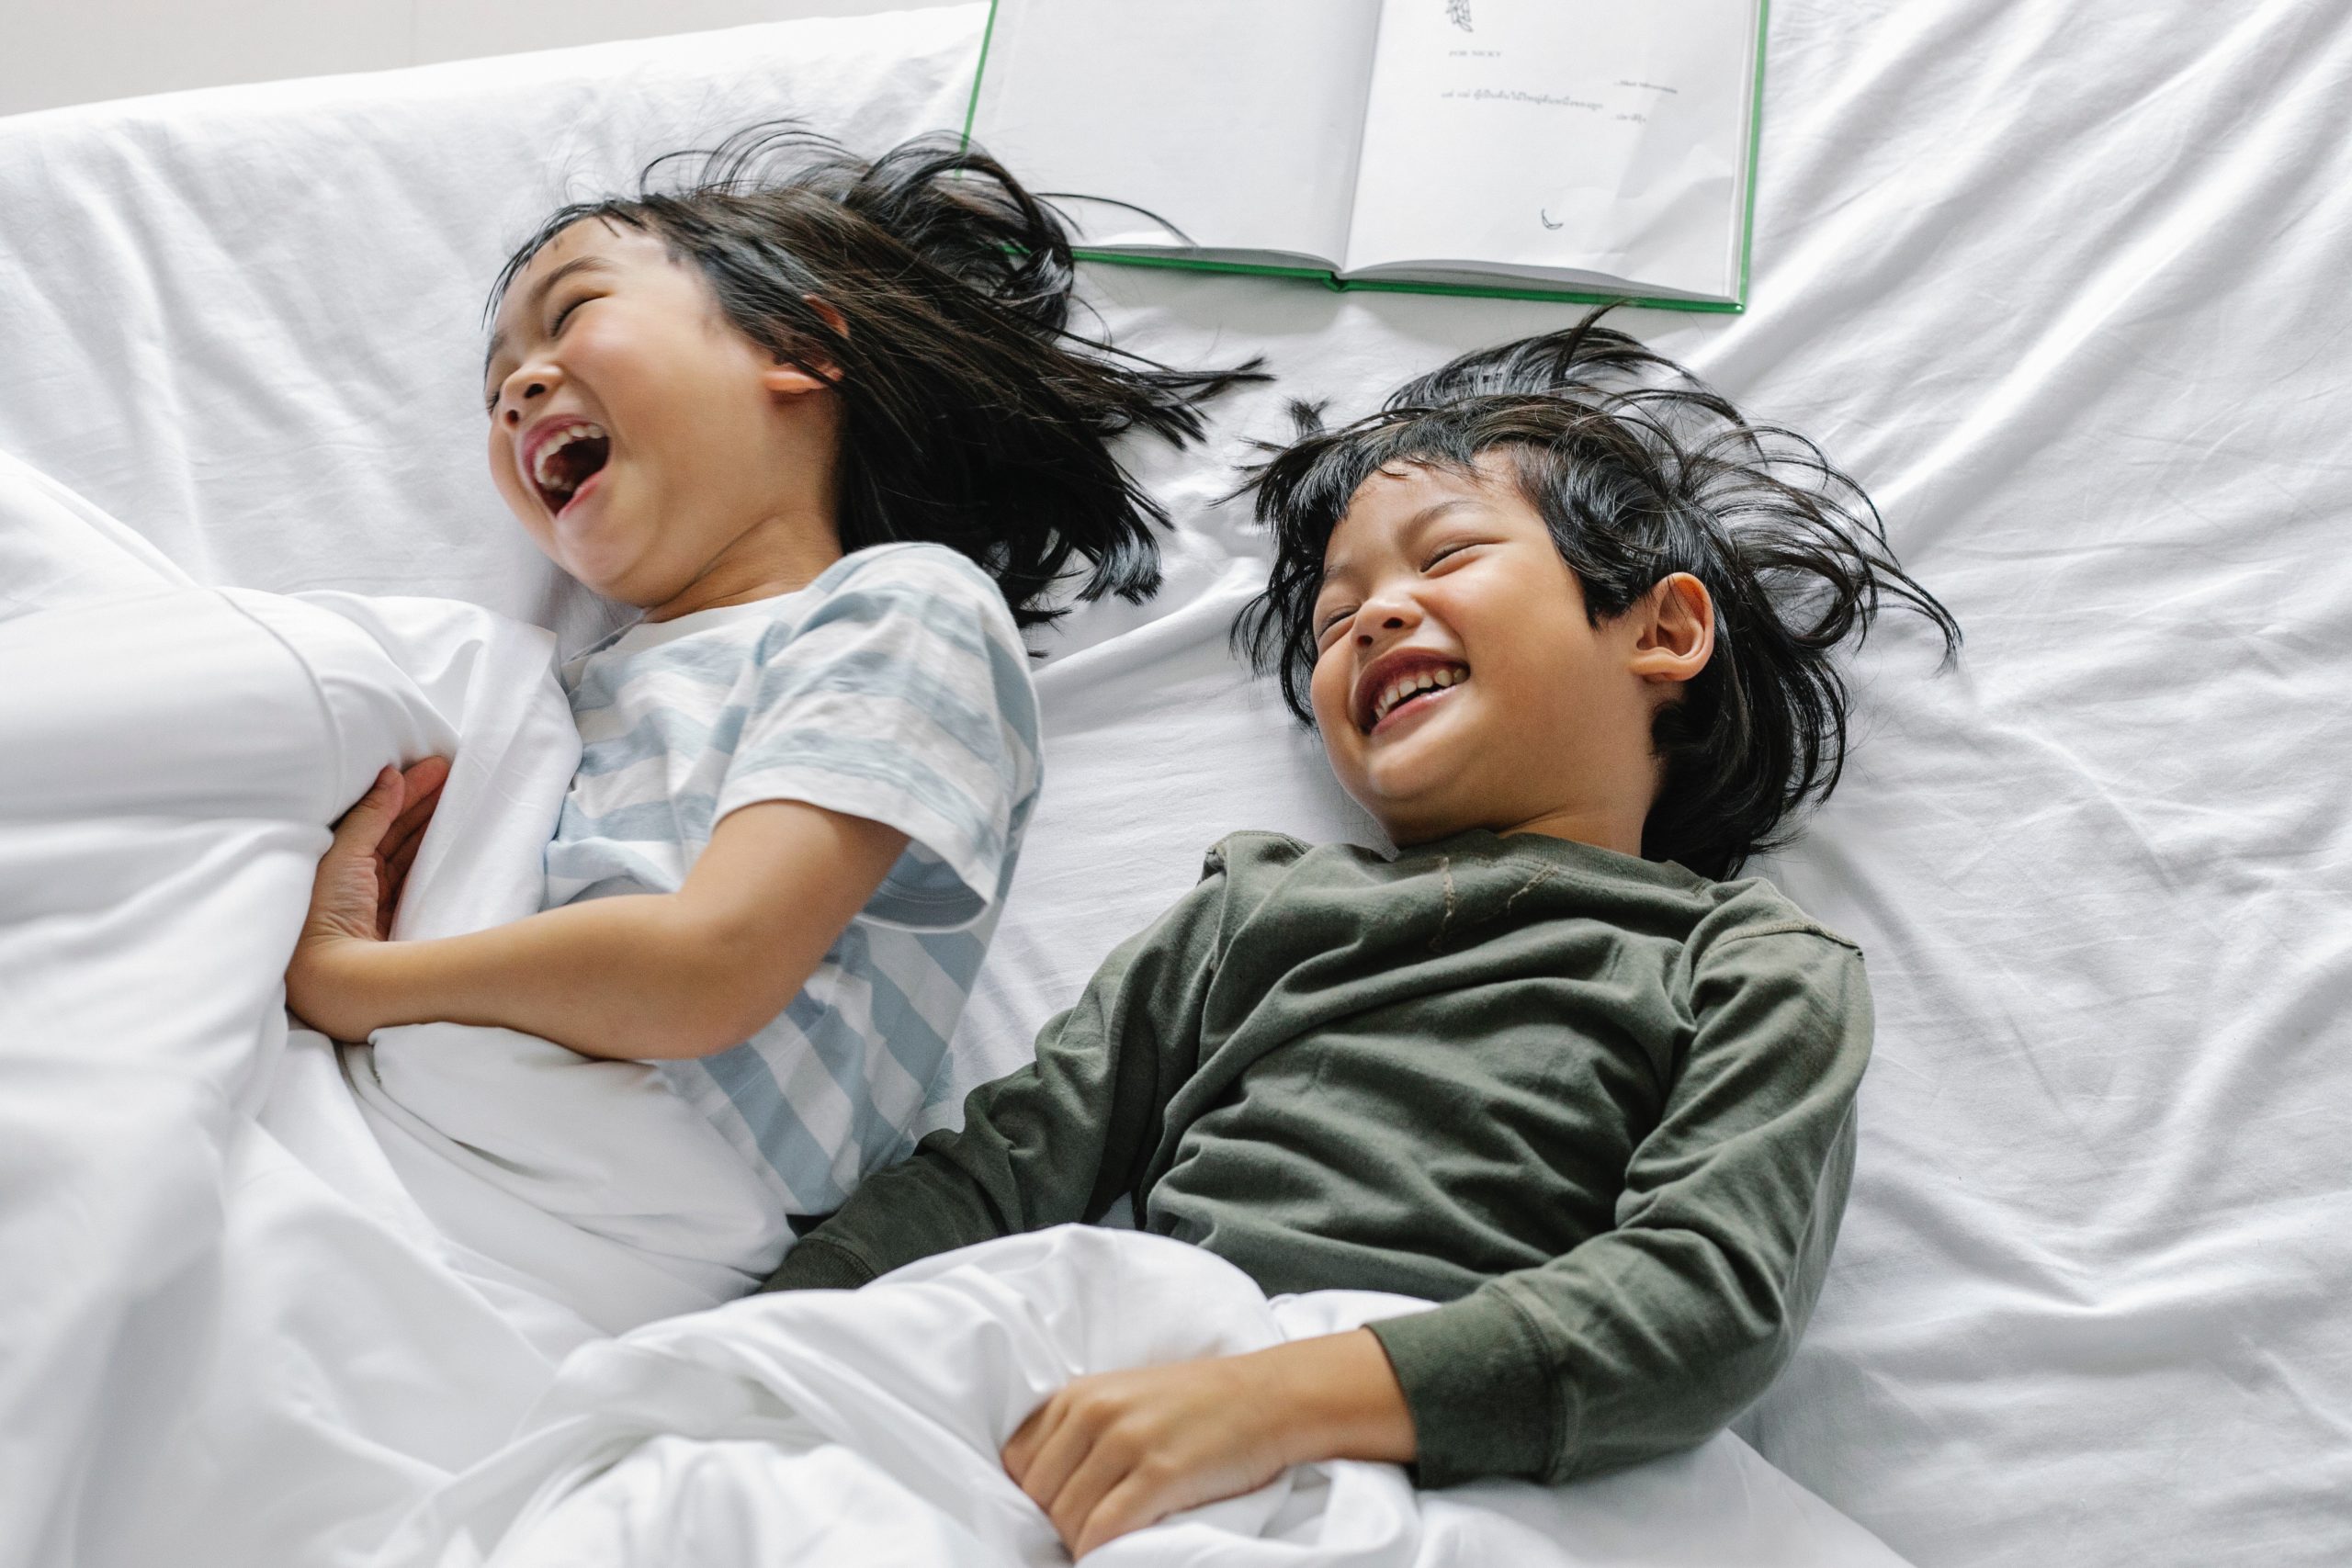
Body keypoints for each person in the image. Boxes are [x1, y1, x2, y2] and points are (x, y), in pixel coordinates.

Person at [760, 319, 1962, 1554]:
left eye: (1448, 555)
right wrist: (768, 1340)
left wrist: (1272, 1401)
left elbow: (1701, 1301)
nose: (1377, 618)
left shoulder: (1749, 964)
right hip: (1166, 1394)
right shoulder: (1255, 910)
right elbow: (1003, 1166)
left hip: (1461, 1450)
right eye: (1336, 620)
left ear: (1661, 632)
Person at [280, 124, 1258, 1244]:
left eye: (570, 313)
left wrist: (346, 982)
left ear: (795, 344)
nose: (515, 393)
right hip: (419, 1133)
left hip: (624, 1185)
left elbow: (708, 969)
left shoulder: (904, 610)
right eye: (498, 386)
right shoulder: (564, 691)